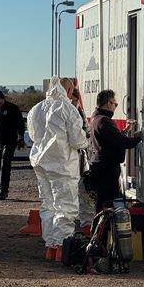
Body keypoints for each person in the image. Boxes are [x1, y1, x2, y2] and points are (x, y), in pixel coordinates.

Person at [27, 77, 88, 261]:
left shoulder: (36, 109)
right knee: (65, 206)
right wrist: (85, 140)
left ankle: (51, 247)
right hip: (62, 164)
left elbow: (32, 135)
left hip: (40, 162)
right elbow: (77, 140)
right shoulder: (68, 109)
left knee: (49, 205)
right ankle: (62, 247)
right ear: (69, 91)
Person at [90, 89, 142, 213]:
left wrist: (125, 130)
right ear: (108, 103)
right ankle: (105, 230)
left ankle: (100, 229)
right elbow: (120, 142)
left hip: (99, 167)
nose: (115, 106)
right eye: (115, 104)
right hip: (107, 169)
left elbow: (110, 139)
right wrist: (137, 138)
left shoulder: (96, 118)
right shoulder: (104, 120)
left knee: (102, 203)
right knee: (108, 204)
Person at [0, 89, 25, 200]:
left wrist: (21, 137)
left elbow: (21, 125)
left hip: (10, 141)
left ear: (3, 98)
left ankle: (4, 191)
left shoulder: (13, 108)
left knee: (5, 165)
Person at [71, 88, 93, 235]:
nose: (72, 102)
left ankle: (87, 226)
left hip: (80, 160)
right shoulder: (70, 112)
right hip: (72, 160)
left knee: (84, 193)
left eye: (74, 100)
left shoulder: (77, 112)